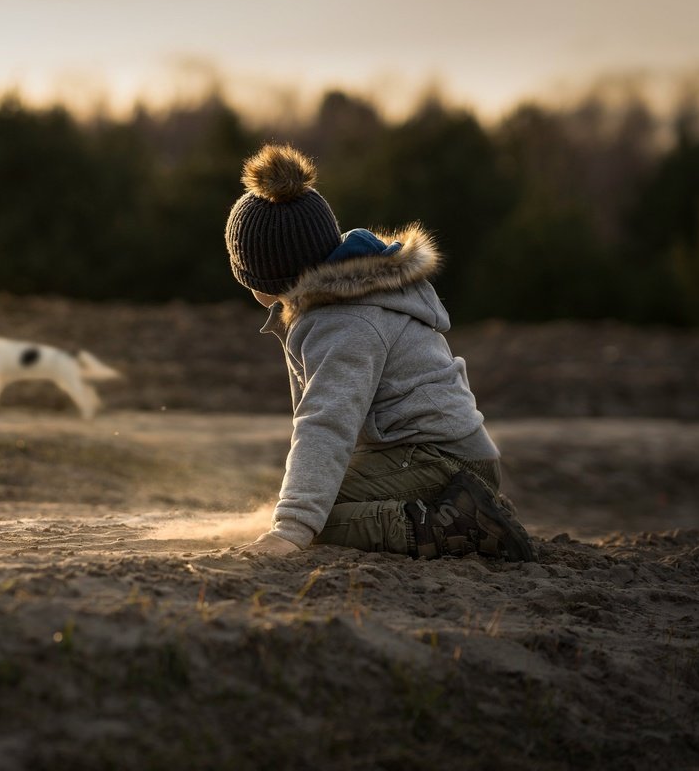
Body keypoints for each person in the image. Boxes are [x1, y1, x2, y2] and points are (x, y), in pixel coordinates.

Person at [224, 144, 536, 561]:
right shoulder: (332, 305)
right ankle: (466, 505)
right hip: (432, 454)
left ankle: (460, 524)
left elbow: (326, 422)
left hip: (439, 458)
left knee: (319, 521)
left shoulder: (346, 324)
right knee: (309, 501)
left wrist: (292, 529)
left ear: (266, 274)